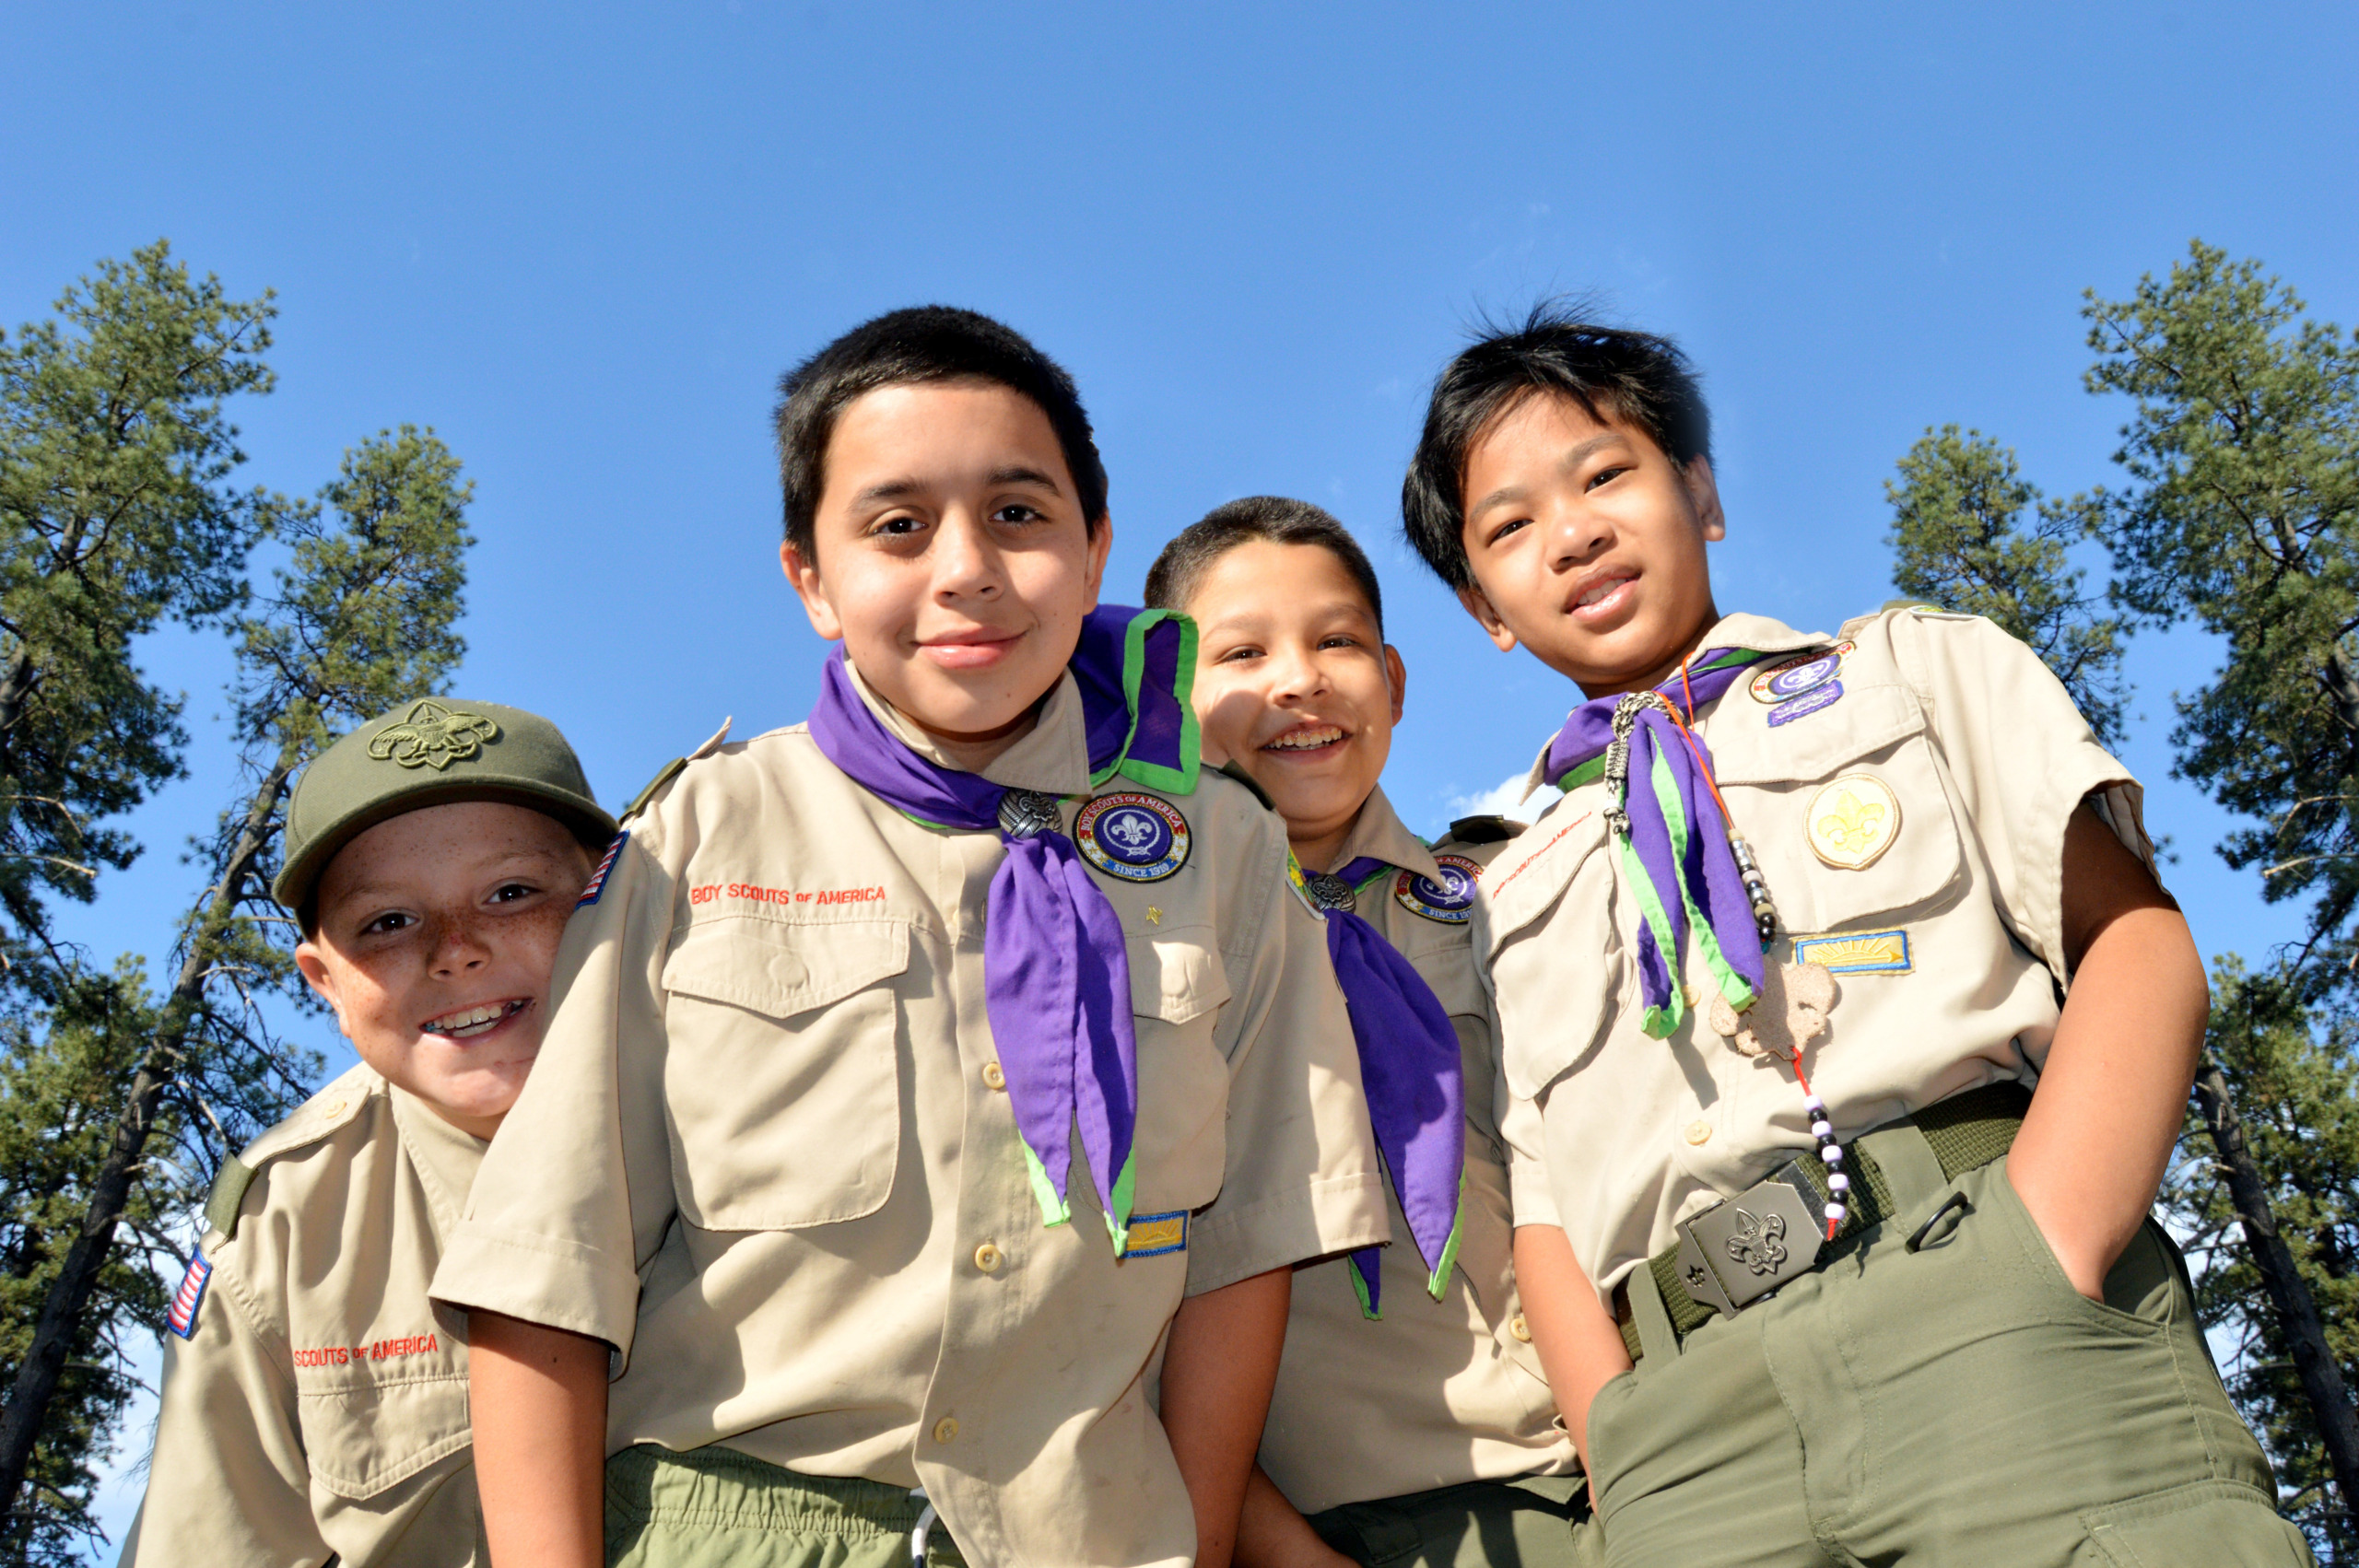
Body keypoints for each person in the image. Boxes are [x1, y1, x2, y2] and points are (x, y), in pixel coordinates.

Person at [434, 307, 1389, 1568]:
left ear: (1096, 551)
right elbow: (548, 1269)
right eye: (897, 526)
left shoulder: (1223, 852)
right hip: (741, 1518)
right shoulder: (701, 833)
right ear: (812, 581)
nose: (966, 569)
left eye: (1019, 514)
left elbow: (1244, 1252)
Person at [1396, 305, 2317, 1566]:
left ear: (1700, 489)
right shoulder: (1502, 886)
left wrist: (2051, 1238)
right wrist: (1623, 1440)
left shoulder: (1913, 672)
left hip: (1998, 1323)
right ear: (1483, 609)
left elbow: (2132, 943)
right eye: (1509, 527)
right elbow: (1544, 1194)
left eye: (1605, 473)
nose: (1571, 534)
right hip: (1688, 1445)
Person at [1144, 497, 1584, 1568]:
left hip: (1603, 1479)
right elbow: (1122, 1321)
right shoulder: (1137, 964)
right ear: (1166, 702)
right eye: (1242, 651)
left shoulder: (1510, 895)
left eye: (1335, 640)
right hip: (1317, 1527)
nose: (1299, 678)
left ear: (1391, 682)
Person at [119, 697, 617, 1566]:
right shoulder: (283, 1236)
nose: (455, 949)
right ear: (325, 982)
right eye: (388, 922)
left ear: (613, 897)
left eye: (512, 893)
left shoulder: (761, 1104)